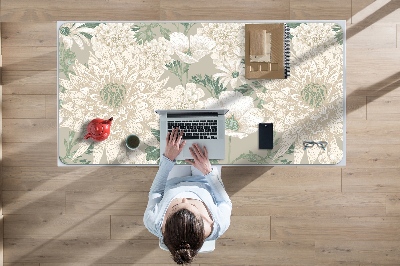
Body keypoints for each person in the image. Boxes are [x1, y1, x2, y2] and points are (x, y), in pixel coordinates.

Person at [144, 127, 232, 264]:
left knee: (174, 142)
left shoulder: (153, 222)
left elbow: (156, 192)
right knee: (207, 138)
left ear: (165, 224)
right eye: (192, 205)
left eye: (176, 206)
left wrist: (168, 159)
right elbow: (224, 202)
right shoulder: (220, 224)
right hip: (205, 180)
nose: (184, 198)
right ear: (204, 222)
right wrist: (208, 171)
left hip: (173, 181)